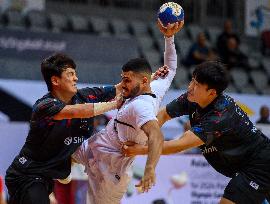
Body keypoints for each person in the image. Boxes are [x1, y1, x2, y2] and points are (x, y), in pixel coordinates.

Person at [123, 61, 270, 204]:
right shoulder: (192, 97)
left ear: (212, 93)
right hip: (241, 165)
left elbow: (179, 145)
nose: (190, 87)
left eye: (197, 85)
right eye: (192, 80)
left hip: (259, 164)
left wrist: (140, 149)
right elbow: (162, 115)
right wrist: (141, 137)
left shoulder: (219, 117)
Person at [72, 20, 184, 204]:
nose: (122, 85)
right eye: (122, 79)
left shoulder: (142, 106)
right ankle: (62, 173)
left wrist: (149, 169)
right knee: (59, 147)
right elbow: (171, 67)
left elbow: (156, 135)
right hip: (98, 143)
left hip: (111, 170)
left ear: (144, 81)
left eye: (127, 80)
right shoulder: (154, 86)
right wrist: (169, 37)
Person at [5, 53, 124, 204]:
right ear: (55, 80)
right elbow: (75, 111)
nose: (76, 78)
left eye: (75, 73)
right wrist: (114, 104)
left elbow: (120, 88)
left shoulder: (86, 96)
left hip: (46, 177)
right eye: (70, 74)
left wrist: (153, 77)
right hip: (26, 175)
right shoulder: (44, 106)